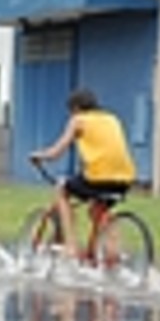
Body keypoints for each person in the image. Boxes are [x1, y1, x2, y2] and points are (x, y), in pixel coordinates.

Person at [30, 88, 136, 258]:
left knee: (61, 190)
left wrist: (39, 156)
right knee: (98, 209)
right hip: (125, 179)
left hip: (98, 177)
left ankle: (71, 246)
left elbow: (57, 152)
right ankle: (112, 253)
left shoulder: (78, 120)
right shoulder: (112, 119)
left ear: (76, 108)